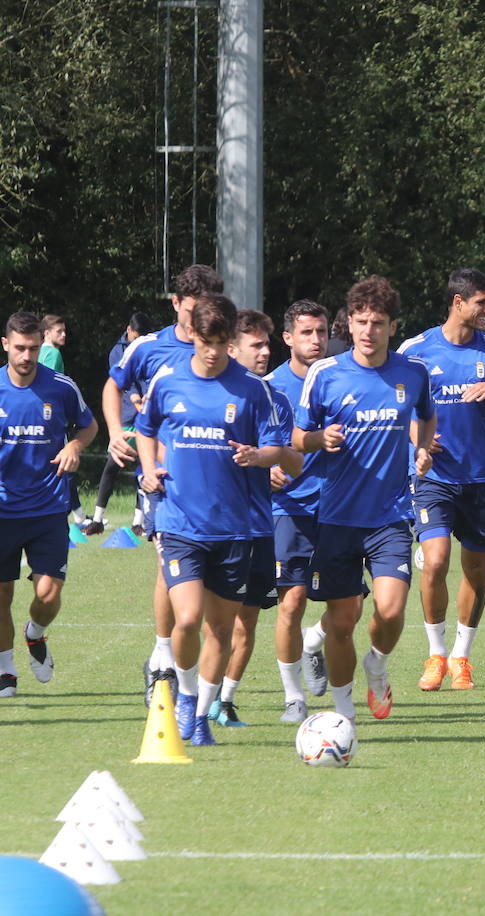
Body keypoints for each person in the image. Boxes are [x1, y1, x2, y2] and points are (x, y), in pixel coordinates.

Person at [135, 294, 288, 745]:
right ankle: (183, 696)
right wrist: (147, 470)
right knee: (187, 619)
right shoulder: (168, 380)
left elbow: (281, 449)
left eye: (222, 342)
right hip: (180, 522)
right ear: (194, 337)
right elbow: (145, 429)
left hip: (236, 528)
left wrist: (259, 455)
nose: (213, 351)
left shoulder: (252, 389)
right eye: (206, 341)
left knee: (220, 628)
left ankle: (200, 716)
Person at [294, 276, 436, 721]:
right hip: (336, 516)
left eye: (378, 322)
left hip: (390, 514)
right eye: (360, 321)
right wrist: (321, 437)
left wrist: (424, 448)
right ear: (349, 323)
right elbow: (298, 439)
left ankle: (377, 662)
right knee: (340, 622)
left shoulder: (412, 373)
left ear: (393, 326)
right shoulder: (325, 374)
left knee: (391, 609)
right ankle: (343, 715)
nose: (368, 330)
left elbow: (427, 417)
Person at [398, 268, 485, 692]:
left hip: (480, 477)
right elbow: (393, 407)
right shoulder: (415, 351)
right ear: (458, 302)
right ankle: (435, 654)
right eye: (481, 303)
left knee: (476, 570)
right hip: (433, 476)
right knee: (434, 562)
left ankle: (461, 657)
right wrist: (418, 440)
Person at [105, 264, 224, 705]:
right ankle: (162, 656)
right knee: (166, 563)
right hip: (162, 480)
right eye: (192, 310)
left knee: (206, 584)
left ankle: (189, 662)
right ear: (175, 304)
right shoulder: (148, 348)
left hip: (215, 482)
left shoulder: (220, 347)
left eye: (207, 310)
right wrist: (118, 432)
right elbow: (113, 386)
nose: (198, 320)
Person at [205, 309, 305, 727]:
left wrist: (275, 461)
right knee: (204, 622)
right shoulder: (205, 393)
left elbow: (294, 460)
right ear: (231, 348)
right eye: (256, 344)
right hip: (207, 525)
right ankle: (176, 684)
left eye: (267, 344)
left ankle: (222, 702)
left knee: (246, 622)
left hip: (258, 525)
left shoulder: (275, 398)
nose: (266, 352)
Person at [0, 312, 98, 698]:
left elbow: (89, 426)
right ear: (5, 344)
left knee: (48, 594)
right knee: (1, 596)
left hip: (47, 509)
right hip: (2, 511)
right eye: (20, 348)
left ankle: (35, 634)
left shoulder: (60, 387)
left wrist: (74, 445)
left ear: (42, 346)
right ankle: (6, 670)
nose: (27, 356)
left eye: (34, 348)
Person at [264, 299, 334, 722]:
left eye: (321, 332)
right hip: (288, 508)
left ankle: (315, 642)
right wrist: (269, 466)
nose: (315, 340)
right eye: (306, 332)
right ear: (287, 338)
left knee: (353, 606)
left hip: (339, 507)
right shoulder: (269, 387)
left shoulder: (342, 377)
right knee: (291, 603)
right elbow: (254, 440)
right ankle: (294, 697)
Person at [85, 311, 156, 536]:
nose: (141, 340)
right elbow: (124, 381)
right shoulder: (118, 350)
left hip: (146, 415)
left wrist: (148, 399)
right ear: (129, 330)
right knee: (112, 465)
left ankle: (139, 521)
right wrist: (136, 397)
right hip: (126, 417)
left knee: (144, 467)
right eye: (138, 336)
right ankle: (97, 519)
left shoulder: (151, 347)